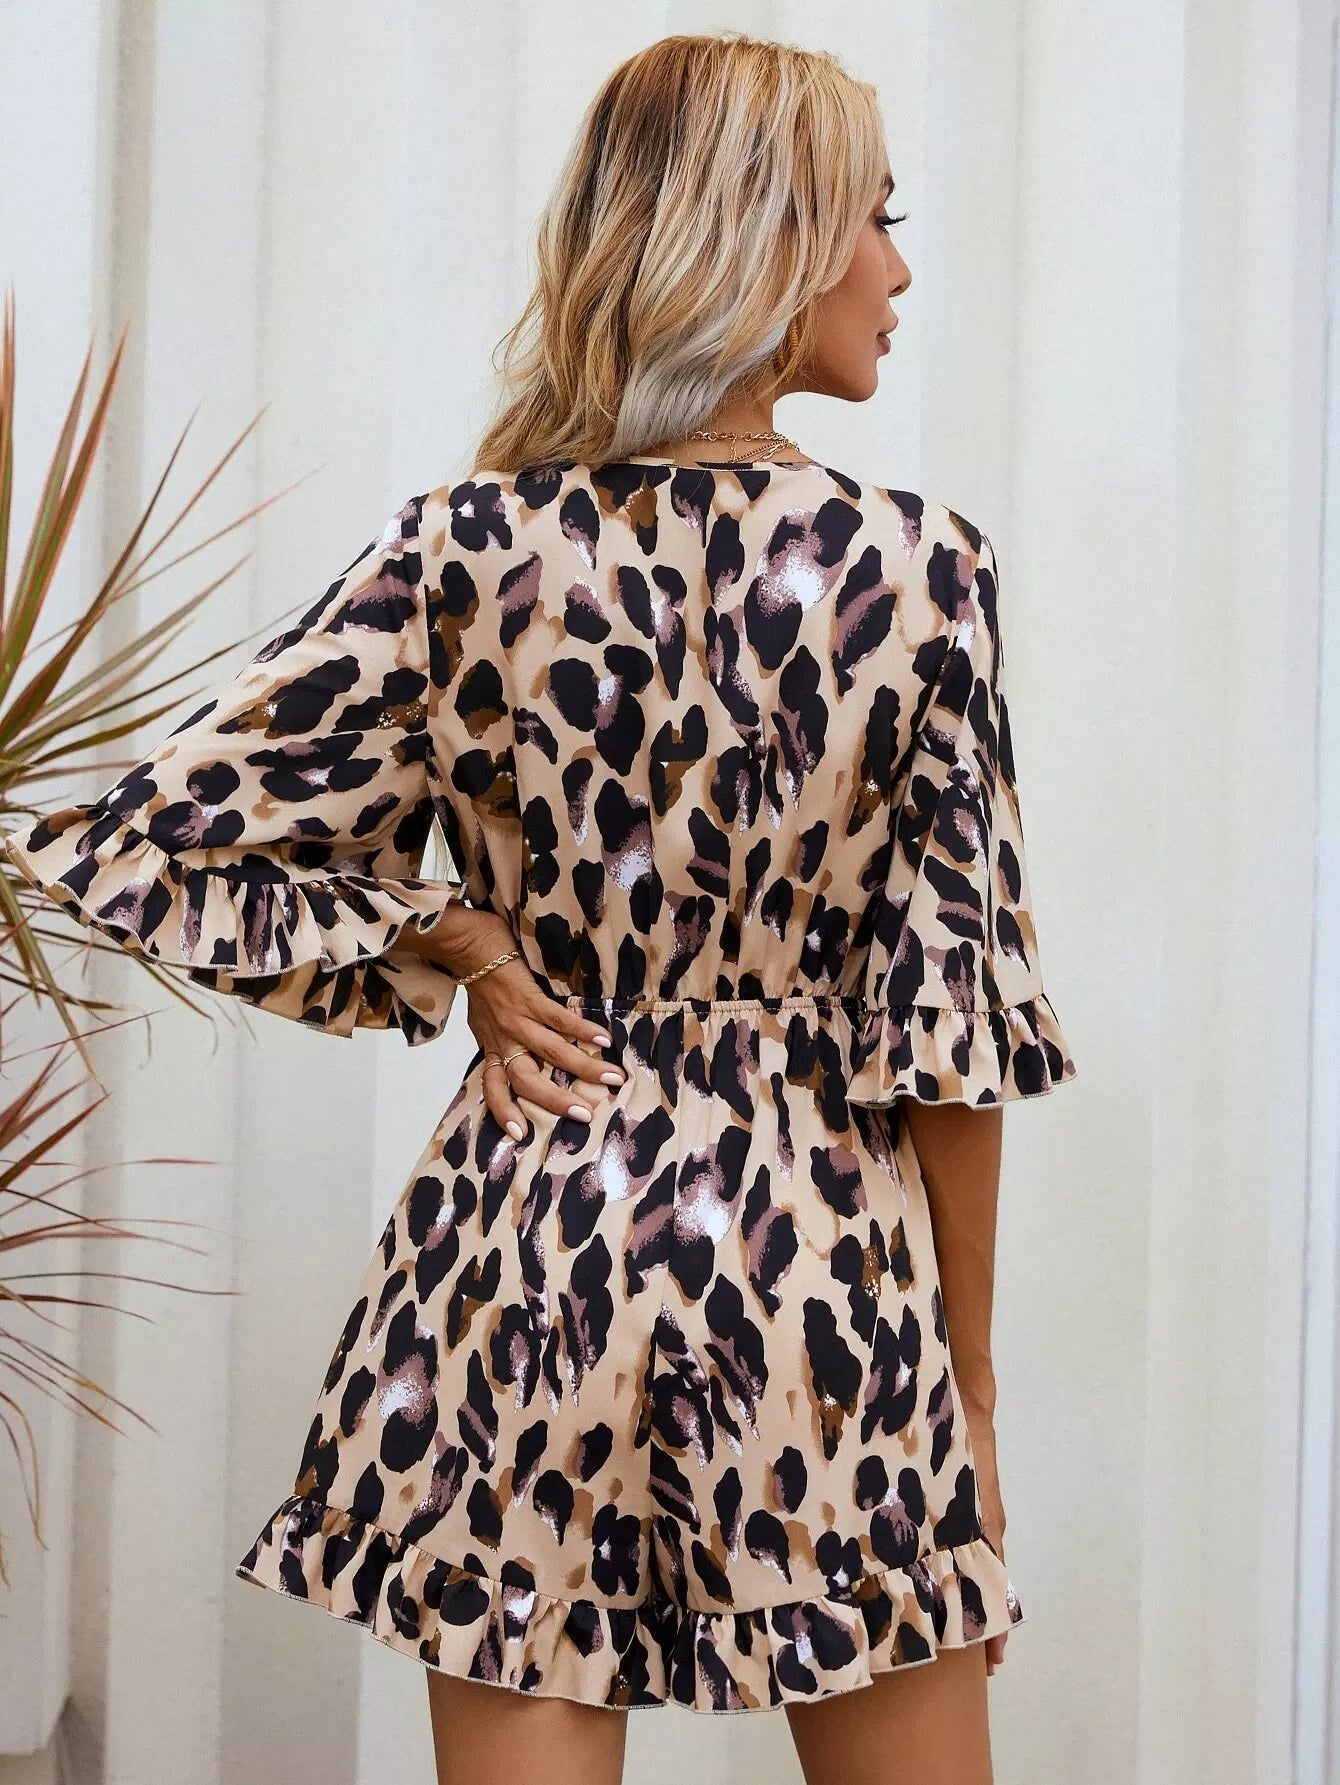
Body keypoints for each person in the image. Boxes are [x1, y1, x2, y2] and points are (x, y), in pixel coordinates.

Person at [3, 29, 1076, 1785]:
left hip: (529, 1245)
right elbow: (945, 1028)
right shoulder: (923, 571)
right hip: (817, 1262)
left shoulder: (468, 549)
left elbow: (146, 841)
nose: (901, 267)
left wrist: (462, 937)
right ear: (772, 237)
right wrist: (967, 1380)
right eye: (877, 217)